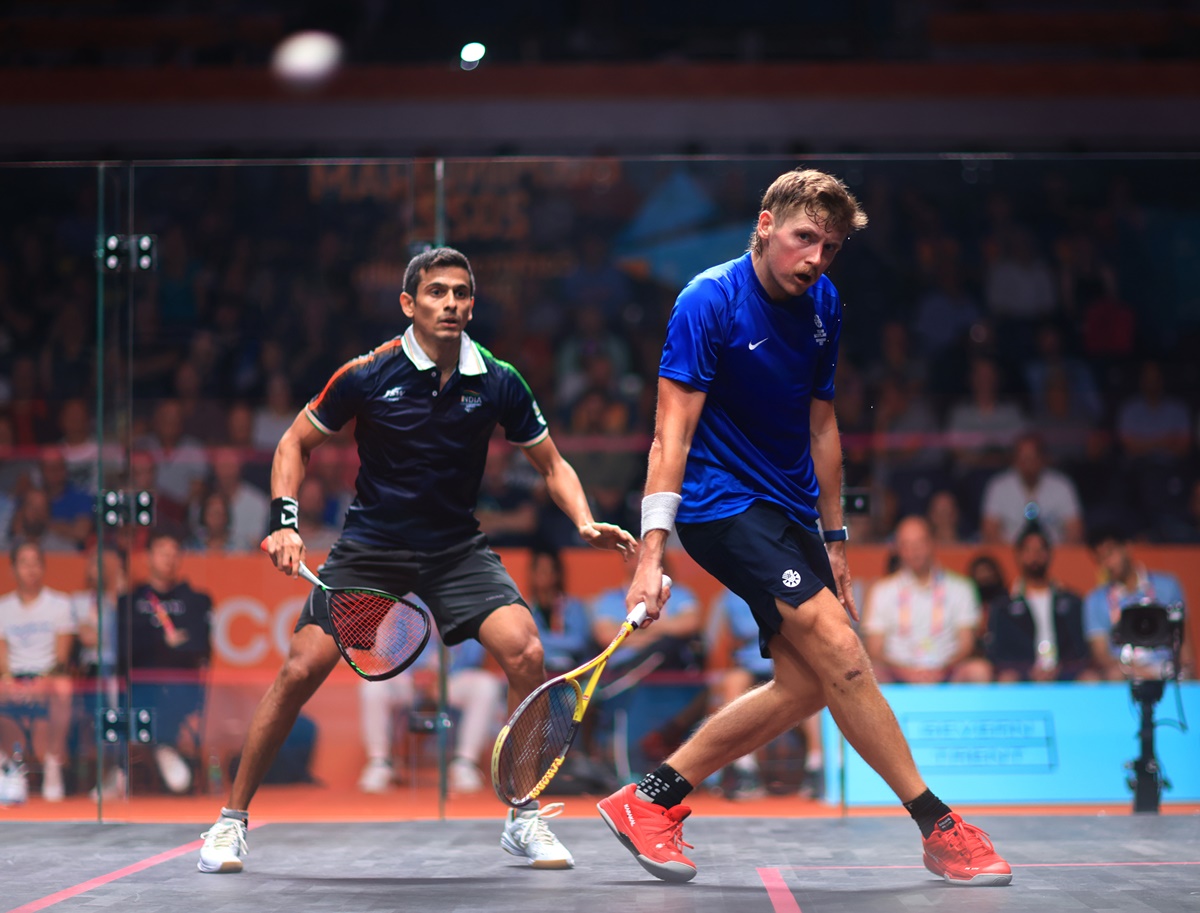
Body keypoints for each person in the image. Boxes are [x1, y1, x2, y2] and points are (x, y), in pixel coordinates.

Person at [598, 169, 1011, 887]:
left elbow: (824, 424)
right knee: (843, 649)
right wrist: (651, 552)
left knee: (812, 682)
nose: (816, 258)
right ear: (764, 224)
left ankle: (648, 798)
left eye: (831, 245)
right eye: (803, 239)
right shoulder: (708, 300)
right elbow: (672, 432)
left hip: (791, 511)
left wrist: (836, 537)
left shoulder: (823, 302)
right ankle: (938, 823)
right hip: (719, 505)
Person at [198, 246, 637, 875]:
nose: (450, 303)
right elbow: (294, 441)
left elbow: (552, 463)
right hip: (372, 547)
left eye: (460, 293)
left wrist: (583, 519)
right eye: (436, 292)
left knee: (527, 652)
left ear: (472, 304)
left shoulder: (499, 379)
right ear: (409, 303)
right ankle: (229, 823)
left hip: (455, 546)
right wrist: (284, 523)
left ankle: (524, 815)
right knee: (302, 667)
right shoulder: (368, 372)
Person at [119, 530, 213, 795]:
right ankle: (156, 750)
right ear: (148, 557)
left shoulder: (194, 600)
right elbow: (125, 649)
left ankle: (161, 746)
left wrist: (155, 645)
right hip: (139, 685)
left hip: (180, 686)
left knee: (171, 688)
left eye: (174, 554)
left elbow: (200, 646)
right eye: (163, 553)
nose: (169, 560)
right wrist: (164, 641)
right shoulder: (131, 601)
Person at [709, 587, 824, 799]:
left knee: (810, 688)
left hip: (789, 658)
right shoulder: (732, 591)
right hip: (750, 662)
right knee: (733, 683)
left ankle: (816, 766)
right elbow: (741, 631)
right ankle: (745, 769)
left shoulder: (786, 579)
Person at [358, 629, 503, 796]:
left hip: (452, 680)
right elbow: (390, 652)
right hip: (409, 679)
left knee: (486, 685)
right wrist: (420, 674)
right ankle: (380, 763)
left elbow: (473, 657)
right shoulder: (411, 607)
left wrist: (439, 679)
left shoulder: (466, 607)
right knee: (373, 684)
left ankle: (465, 764)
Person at [862, 516, 991, 684]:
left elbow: (967, 645)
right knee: (870, 673)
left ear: (932, 543)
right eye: (906, 545)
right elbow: (874, 649)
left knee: (979, 671)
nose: (913, 551)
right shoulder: (881, 590)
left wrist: (943, 669)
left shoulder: (961, 587)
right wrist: (905, 672)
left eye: (919, 543)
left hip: (947, 672)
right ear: (897, 549)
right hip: (897, 674)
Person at [0, 539, 75, 801]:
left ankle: (53, 762)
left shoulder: (60, 604)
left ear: (43, 568)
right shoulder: (3, 608)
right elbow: (2, 657)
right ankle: (9, 766)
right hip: (13, 678)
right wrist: (10, 681)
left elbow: (62, 657)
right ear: (13, 569)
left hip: (48, 676)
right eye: (24, 563)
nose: (30, 569)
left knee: (64, 686)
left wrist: (40, 683)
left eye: (35, 563)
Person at [986, 523, 1094, 682]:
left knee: (1090, 679)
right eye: (1028, 550)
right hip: (1022, 674)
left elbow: (1082, 650)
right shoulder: (1003, 605)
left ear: (1049, 554)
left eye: (1040, 550)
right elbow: (999, 653)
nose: (1034, 556)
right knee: (1006, 681)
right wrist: (1028, 670)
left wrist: (1061, 668)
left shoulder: (1071, 602)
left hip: (1065, 672)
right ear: (1018, 555)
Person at [1083, 529, 1187, 682]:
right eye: (1101, 559)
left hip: (1164, 667)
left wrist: (1186, 671)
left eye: (1110, 554)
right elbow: (1101, 655)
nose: (1108, 564)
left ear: (1127, 547)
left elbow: (1182, 642)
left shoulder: (1167, 586)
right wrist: (1133, 670)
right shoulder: (1095, 599)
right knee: (1100, 677)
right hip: (1123, 671)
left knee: (1186, 676)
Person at [980, 433, 1084, 546]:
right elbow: (990, 531)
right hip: (1009, 554)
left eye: (1032, 457)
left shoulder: (1062, 486)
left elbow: (1075, 531)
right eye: (1023, 458)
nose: (1028, 463)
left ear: (1042, 459)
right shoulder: (998, 486)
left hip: (1054, 555)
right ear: (1015, 459)